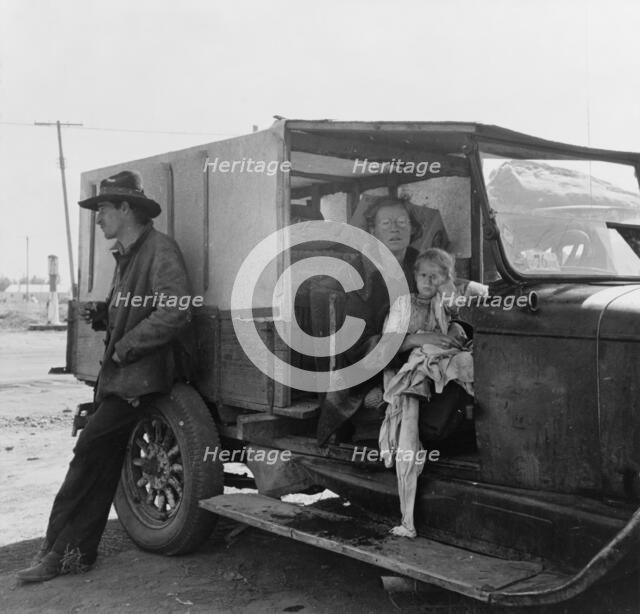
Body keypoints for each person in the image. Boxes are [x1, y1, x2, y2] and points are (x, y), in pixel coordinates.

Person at [17, 170, 194, 583]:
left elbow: (176, 309)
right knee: (98, 462)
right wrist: (106, 316)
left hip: (142, 380)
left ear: (126, 209)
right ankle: (73, 552)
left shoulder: (159, 250)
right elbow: (142, 306)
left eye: (103, 210)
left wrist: (126, 344)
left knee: (87, 459)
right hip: (123, 379)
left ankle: (58, 554)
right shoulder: (130, 253)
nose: (97, 219)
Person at [378, 248, 485, 537]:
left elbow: (462, 304)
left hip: (434, 367)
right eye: (423, 275)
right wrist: (418, 339)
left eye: (434, 276)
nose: (427, 281)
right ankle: (407, 513)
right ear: (414, 276)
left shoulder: (443, 302)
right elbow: (387, 347)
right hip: (402, 369)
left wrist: (448, 286)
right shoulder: (404, 304)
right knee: (408, 418)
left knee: (469, 362)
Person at [316, 196, 423, 445]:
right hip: (367, 372)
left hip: (415, 356)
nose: (395, 228)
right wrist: (411, 341)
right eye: (386, 223)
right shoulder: (362, 275)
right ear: (373, 231)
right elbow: (357, 346)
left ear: (413, 229)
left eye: (401, 222)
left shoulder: (421, 265)